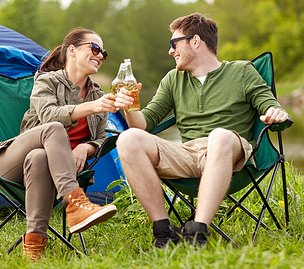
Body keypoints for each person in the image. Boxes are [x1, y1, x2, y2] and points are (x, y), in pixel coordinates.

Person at [113, 13, 289, 249]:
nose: (170, 51)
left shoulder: (242, 71)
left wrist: (275, 113)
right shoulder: (173, 79)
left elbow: (268, 103)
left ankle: (198, 233)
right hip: (188, 154)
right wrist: (130, 106)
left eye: (173, 44)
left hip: (232, 151)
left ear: (195, 41)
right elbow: (144, 125)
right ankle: (164, 233)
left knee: (219, 135)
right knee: (128, 139)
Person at [0, 28, 117, 262]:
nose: (100, 55)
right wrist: (94, 107)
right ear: (72, 50)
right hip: (12, 165)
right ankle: (75, 202)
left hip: (47, 168)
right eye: (95, 48)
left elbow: (100, 138)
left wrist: (85, 148)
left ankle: (34, 246)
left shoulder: (96, 94)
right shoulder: (47, 81)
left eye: (104, 53)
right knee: (54, 128)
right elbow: (49, 115)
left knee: (39, 157)